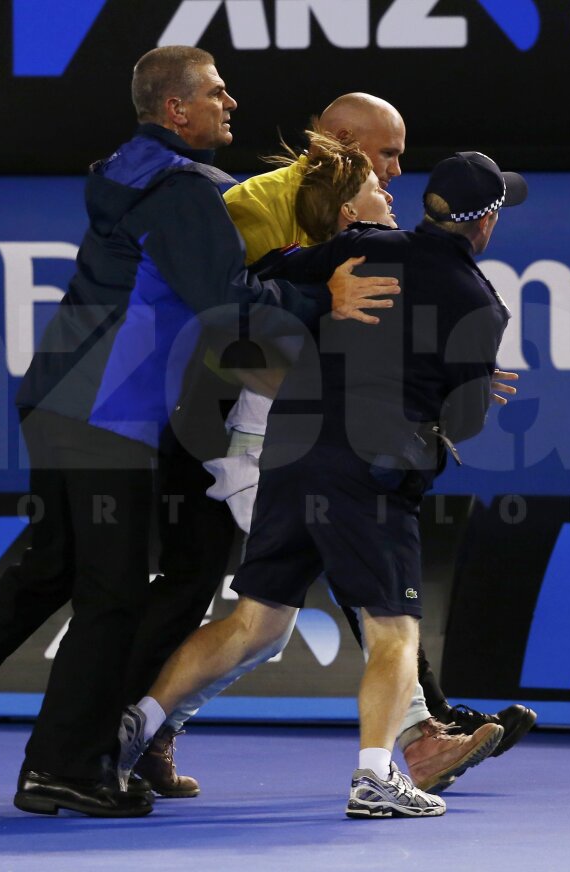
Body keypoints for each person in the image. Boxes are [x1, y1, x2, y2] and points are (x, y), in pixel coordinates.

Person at [0, 45, 398, 819]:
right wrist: (324, 297)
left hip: (61, 397)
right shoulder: (185, 190)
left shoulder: (131, 167)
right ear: (176, 109)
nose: (230, 103)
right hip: (110, 409)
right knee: (108, 596)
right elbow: (227, 301)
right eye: (216, 93)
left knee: (52, 573)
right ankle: (62, 766)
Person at [118, 150, 526, 818]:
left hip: (290, 453)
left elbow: (267, 271)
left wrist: (330, 300)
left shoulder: (361, 245)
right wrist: (465, 388)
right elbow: (466, 421)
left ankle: (129, 729)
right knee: (394, 630)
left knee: (254, 621)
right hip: (372, 467)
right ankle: (374, 776)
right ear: (483, 226)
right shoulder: (480, 302)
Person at [220, 95, 535, 789]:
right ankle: (417, 744)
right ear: (342, 145)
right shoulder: (272, 211)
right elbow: (231, 298)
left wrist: (458, 372)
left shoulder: (370, 229)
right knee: (348, 607)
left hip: (312, 433)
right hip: (264, 427)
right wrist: (323, 295)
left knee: (313, 609)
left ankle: (429, 731)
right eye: (384, 157)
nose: (395, 173)